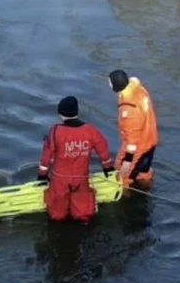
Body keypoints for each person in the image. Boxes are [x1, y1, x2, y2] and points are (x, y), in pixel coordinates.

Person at [37, 96, 115, 224]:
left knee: (57, 214)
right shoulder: (90, 130)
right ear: (76, 112)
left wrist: (42, 176)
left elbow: (46, 156)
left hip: (60, 178)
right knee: (82, 212)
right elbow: (103, 148)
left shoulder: (56, 131)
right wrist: (108, 168)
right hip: (81, 177)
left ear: (61, 114)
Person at [108, 70, 157, 187]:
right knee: (143, 172)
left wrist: (125, 166)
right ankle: (146, 185)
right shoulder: (139, 90)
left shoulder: (128, 110)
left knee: (122, 178)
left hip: (137, 147)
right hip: (150, 139)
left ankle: (124, 199)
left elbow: (131, 144)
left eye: (110, 83)